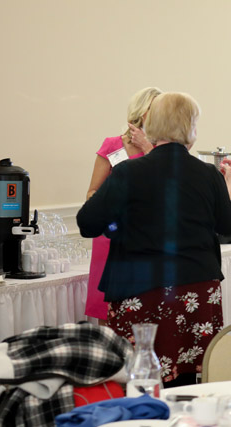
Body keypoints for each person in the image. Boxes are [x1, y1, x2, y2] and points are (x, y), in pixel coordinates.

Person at [77, 92, 231, 387]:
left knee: (141, 378)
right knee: (190, 379)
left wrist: (118, 224)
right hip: (197, 288)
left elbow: (87, 223)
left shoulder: (128, 172)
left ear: (151, 126)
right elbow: (229, 225)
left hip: (141, 289)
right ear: (191, 129)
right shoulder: (207, 174)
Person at [84, 87, 162, 322]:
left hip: (147, 240)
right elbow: (92, 192)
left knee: (143, 309)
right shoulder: (111, 145)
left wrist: (148, 148)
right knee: (106, 309)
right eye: (156, 109)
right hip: (111, 236)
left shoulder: (163, 150)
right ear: (141, 112)